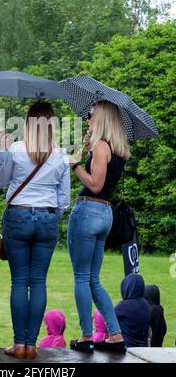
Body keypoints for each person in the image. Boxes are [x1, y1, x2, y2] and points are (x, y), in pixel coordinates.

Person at [0, 101, 70, 360]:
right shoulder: (61, 155)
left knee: (19, 282)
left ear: (27, 123)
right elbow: (65, 199)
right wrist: (49, 216)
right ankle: (32, 345)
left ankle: (18, 344)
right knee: (38, 282)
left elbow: (0, 182)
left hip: (18, 215)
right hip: (47, 219)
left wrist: (1, 152)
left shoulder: (15, 149)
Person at [68, 100, 130, 353]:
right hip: (105, 213)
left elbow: (94, 184)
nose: (88, 120)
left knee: (82, 278)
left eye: (91, 116)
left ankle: (85, 336)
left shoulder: (102, 146)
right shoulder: (117, 149)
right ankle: (115, 335)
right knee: (93, 279)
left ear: (102, 118)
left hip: (88, 210)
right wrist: (87, 149)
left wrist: (74, 165)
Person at [114, 273, 151, 347]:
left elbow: (109, 318)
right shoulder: (145, 303)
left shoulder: (123, 306)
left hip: (128, 348)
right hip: (144, 347)